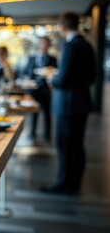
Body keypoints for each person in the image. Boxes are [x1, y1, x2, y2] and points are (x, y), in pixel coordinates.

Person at [41, 12, 96, 194]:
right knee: (77, 146)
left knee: (64, 145)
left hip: (67, 104)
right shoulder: (88, 45)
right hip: (82, 102)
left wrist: (52, 78)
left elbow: (62, 79)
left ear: (63, 26)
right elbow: (93, 77)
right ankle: (75, 183)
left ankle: (63, 185)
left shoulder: (70, 46)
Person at [23, 36, 57, 142]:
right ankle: (32, 133)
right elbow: (27, 71)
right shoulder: (32, 58)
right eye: (43, 44)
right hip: (34, 88)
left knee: (47, 113)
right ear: (40, 45)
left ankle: (47, 135)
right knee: (34, 112)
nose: (44, 46)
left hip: (46, 89)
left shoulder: (53, 59)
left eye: (47, 44)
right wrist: (34, 73)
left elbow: (55, 72)